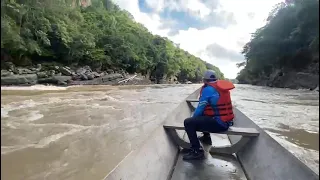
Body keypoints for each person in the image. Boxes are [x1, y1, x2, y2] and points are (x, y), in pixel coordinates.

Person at [182, 70, 235, 160]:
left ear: (204, 80)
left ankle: (196, 151)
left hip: (219, 124)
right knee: (205, 114)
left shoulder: (208, 89)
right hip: (227, 122)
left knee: (188, 122)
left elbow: (199, 109)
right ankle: (206, 137)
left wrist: (193, 120)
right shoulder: (221, 88)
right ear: (217, 79)